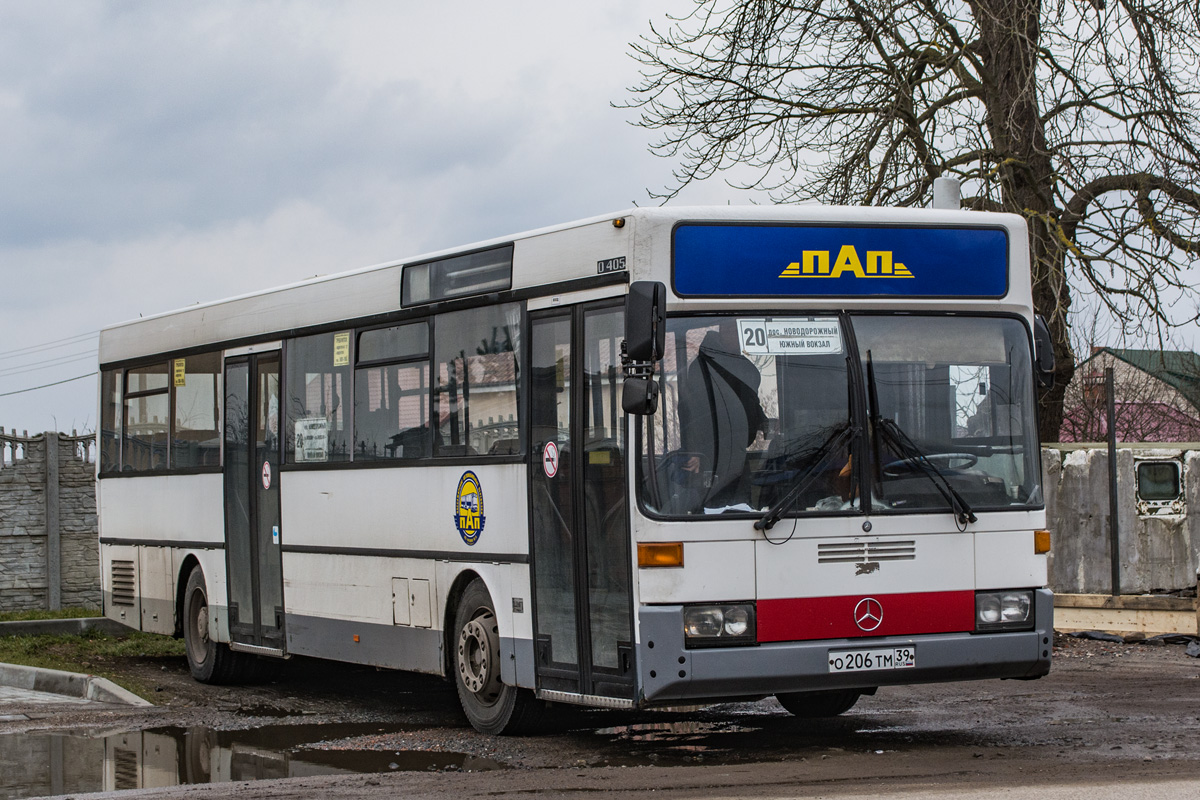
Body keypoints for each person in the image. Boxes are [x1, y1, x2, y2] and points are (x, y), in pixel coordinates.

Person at [677, 326, 767, 509]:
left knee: (742, 506)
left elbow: (750, 402)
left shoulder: (740, 365)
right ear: (723, 334)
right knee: (717, 508)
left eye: (740, 332)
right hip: (712, 455)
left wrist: (763, 421)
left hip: (738, 449)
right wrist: (695, 452)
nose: (739, 338)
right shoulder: (703, 368)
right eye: (733, 331)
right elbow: (691, 413)